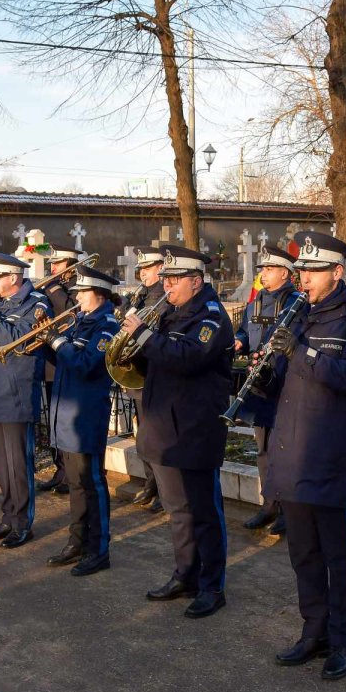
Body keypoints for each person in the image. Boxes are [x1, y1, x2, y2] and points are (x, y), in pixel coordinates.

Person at [259, 231, 346, 681]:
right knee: (303, 554)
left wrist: (302, 353)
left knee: (337, 555)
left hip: (328, 454)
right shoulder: (297, 315)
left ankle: (341, 639)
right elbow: (284, 382)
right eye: (303, 271)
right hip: (291, 452)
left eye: (313, 271)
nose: (304, 279)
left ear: (337, 272)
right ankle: (312, 630)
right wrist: (263, 374)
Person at [122, 244, 233, 618]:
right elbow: (152, 359)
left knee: (203, 511)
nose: (166, 284)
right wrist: (130, 343)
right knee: (177, 510)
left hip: (195, 428)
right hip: (164, 426)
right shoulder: (168, 313)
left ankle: (212, 585)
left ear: (196, 281)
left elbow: (187, 357)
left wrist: (144, 338)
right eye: (165, 277)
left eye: (173, 278)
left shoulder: (211, 317)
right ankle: (185, 572)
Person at [43, 266, 122, 576]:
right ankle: (77, 540)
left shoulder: (105, 327)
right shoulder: (82, 322)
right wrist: (48, 344)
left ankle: (98, 549)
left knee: (93, 484)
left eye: (82, 292)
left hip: (86, 416)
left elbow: (87, 365)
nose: (76, 297)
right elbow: (64, 362)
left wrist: (57, 343)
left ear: (98, 295)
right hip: (68, 414)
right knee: (76, 484)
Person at [0, 252, 49, 549]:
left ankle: (22, 522)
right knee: (1, 464)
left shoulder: (37, 303)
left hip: (15, 393)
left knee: (18, 465)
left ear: (13, 278)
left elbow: (22, 339)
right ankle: (7, 516)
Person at [233, 246, 298, 536]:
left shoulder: (297, 303)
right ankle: (268, 504)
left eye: (268, 269)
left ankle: (288, 509)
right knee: (262, 449)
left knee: (284, 451)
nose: (262, 274)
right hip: (260, 386)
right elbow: (246, 333)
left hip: (285, 386)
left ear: (284, 273)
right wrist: (238, 341)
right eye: (262, 269)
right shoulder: (255, 303)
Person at [37, 246, 85, 495]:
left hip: (68, 357)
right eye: (52, 264)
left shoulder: (80, 284)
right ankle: (59, 468)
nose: (52, 268)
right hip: (50, 359)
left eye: (58, 263)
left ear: (71, 265)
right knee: (53, 420)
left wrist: (54, 289)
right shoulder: (50, 286)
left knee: (67, 421)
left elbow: (73, 312)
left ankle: (70, 472)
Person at [126, 248, 166, 513]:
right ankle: (151, 482)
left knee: (157, 438)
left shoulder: (164, 298)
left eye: (148, 267)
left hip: (154, 374)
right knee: (143, 437)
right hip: (137, 374)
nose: (143, 273)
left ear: (162, 267)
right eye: (141, 268)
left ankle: (164, 489)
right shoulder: (139, 296)